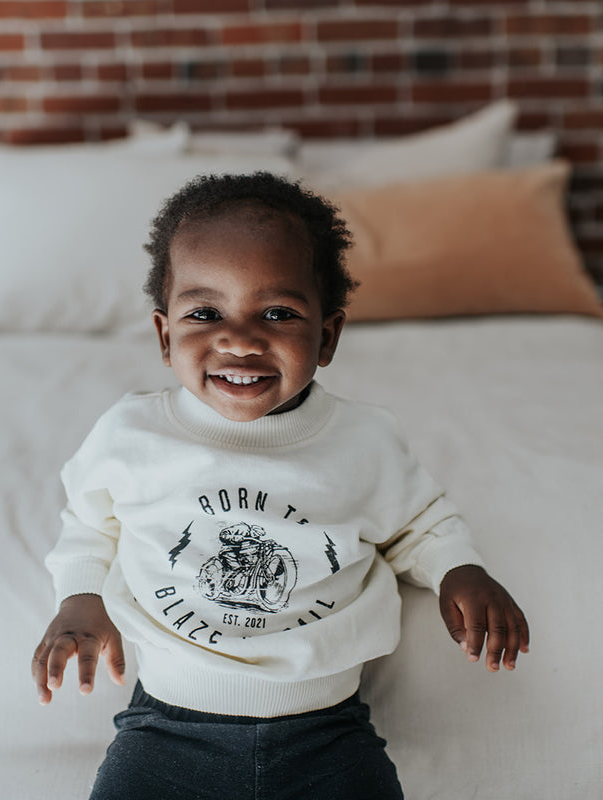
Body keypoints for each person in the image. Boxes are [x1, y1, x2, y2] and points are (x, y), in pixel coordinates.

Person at [31, 172, 529, 800]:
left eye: (277, 313)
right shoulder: (134, 434)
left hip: (327, 733)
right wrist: (79, 598)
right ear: (164, 335)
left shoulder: (362, 441)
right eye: (205, 313)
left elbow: (420, 522)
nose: (239, 340)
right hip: (167, 728)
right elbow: (88, 520)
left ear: (326, 337)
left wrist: (460, 569)